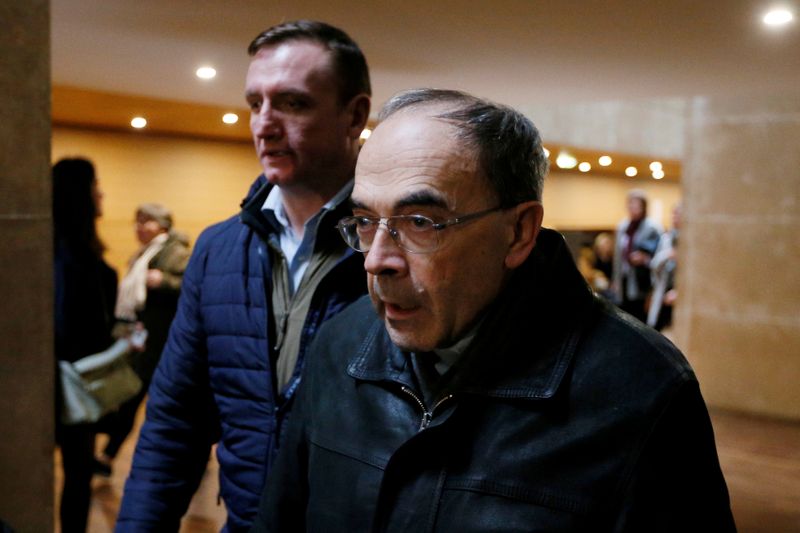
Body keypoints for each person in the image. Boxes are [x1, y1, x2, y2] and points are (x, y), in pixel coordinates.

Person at [252, 89, 736, 531]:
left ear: (519, 231)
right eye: (363, 221)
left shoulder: (642, 388)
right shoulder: (341, 345)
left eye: (421, 222)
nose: (377, 259)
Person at [116, 20, 371, 531]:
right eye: (256, 103)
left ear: (355, 115)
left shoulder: (396, 247)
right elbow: (175, 423)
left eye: (293, 103)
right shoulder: (218, 249)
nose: (264, 124)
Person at [94, 203, 191, 477]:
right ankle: (109, 454)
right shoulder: (144, 254)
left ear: (162, 225)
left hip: (158, 340)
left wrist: (163, 281)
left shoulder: (174, 251)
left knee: (136, 395)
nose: (138, 227)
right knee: (135, 395)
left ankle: (109, 455)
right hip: (141, 336)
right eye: (136, 221)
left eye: (145, 221)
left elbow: (190, 285)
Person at [53, 157, 118, 532]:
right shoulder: (79, 263)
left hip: (67, 382)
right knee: (77, 474)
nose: (101, 192)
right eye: (95, 184)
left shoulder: (72, 256)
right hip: (75, 383)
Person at [612, 189, 662, 322]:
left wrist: (645, 259)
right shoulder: (623, 226)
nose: (632, 207)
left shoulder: (652, 227)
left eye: (635, 204)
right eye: (630, 204)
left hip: (643, 280)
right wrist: (615, 279)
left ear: (643, 207)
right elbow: (618, 257)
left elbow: (658, 254)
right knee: (624, 316)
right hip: (625, 277)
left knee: (640, 317)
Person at [647, 202, 681, 331]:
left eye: (677, 214)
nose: (674, 217)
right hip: (663, 288)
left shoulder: (691, 240)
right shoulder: (666, 238)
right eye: (673, 214)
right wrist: (668, 255)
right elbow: (654, 265)